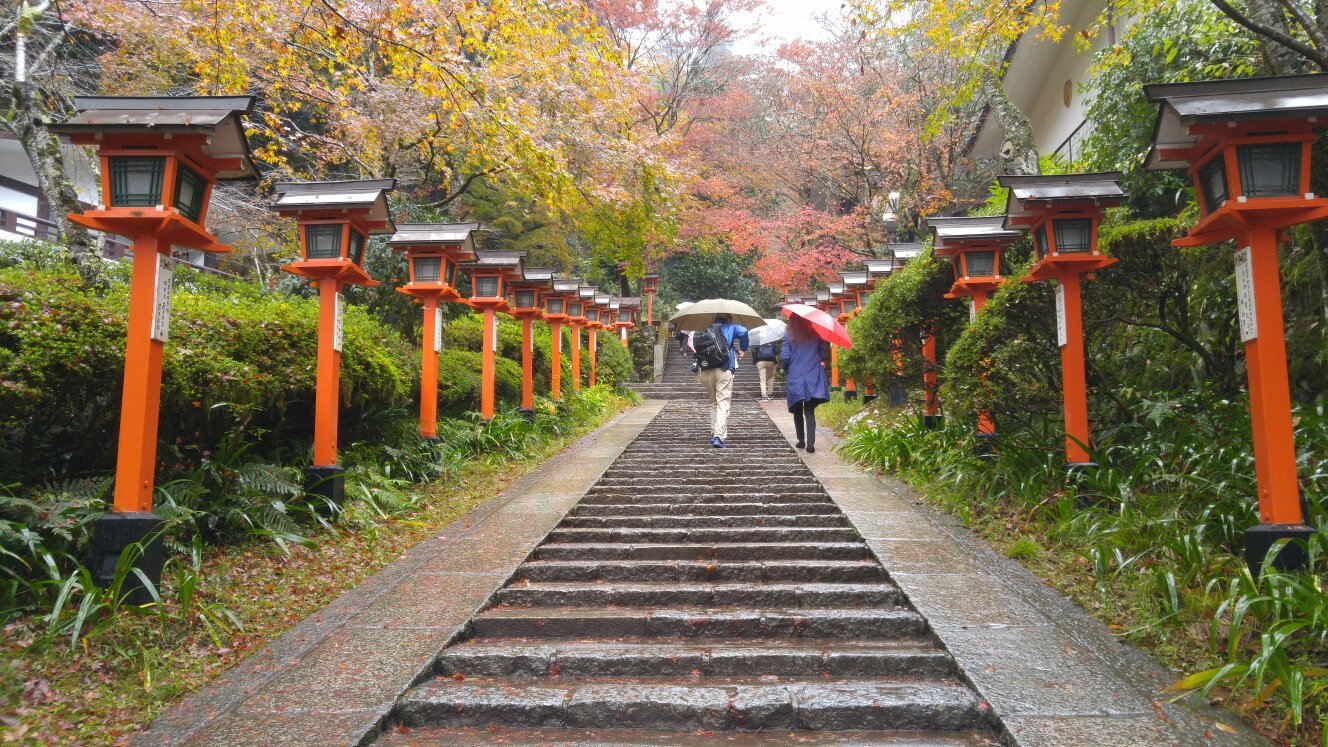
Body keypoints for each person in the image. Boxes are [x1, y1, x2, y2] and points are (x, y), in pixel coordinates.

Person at [695, 313, 749, 448]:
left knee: (713, 403)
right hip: (724, 368)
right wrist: (743, 349)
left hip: (707, 370)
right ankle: (718, 437)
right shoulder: (731, 327)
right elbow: (744, 332)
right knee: (723, 403)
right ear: (728, 319)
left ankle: (714, 432)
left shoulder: (706, 330)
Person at [780, 314, 830, 453]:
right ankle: (811, 443)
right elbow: (824, 355)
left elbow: (785, 357)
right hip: (812, 374)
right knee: (809, 410)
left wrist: (787, 369)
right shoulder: (815, 334)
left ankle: (801, 441)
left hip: (795, 375)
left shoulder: (788, 335)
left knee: (797, 409)